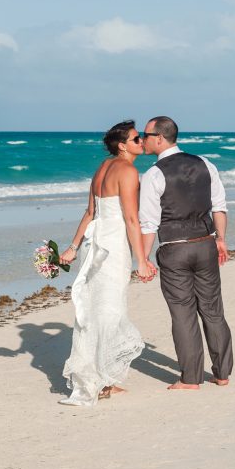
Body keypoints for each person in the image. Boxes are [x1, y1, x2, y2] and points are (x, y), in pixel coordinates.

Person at [58, 121, 157, 406]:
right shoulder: (127, 170)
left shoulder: (102, 167)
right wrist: (142, 260)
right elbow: (130, 219)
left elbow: (90, 212)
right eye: (137, 139)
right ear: (123, 145)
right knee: (109, 310)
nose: (142, 142)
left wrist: (73, 247)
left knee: (93, 309)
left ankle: (99, 378)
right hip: (112, 246)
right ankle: (102, 381)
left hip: (93, 244)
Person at [139, 116, 233, 391]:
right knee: (212, 309)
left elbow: (149, 223)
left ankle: (190, 378)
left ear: (159, 138)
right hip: (205, 243)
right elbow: (219, 206)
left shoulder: (154, 174)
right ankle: (222, 373)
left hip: (174, 248)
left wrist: (143, 259)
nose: (142, 140)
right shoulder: (205, 163)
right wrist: (222, 239)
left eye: (145, 135)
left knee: (183, 313)